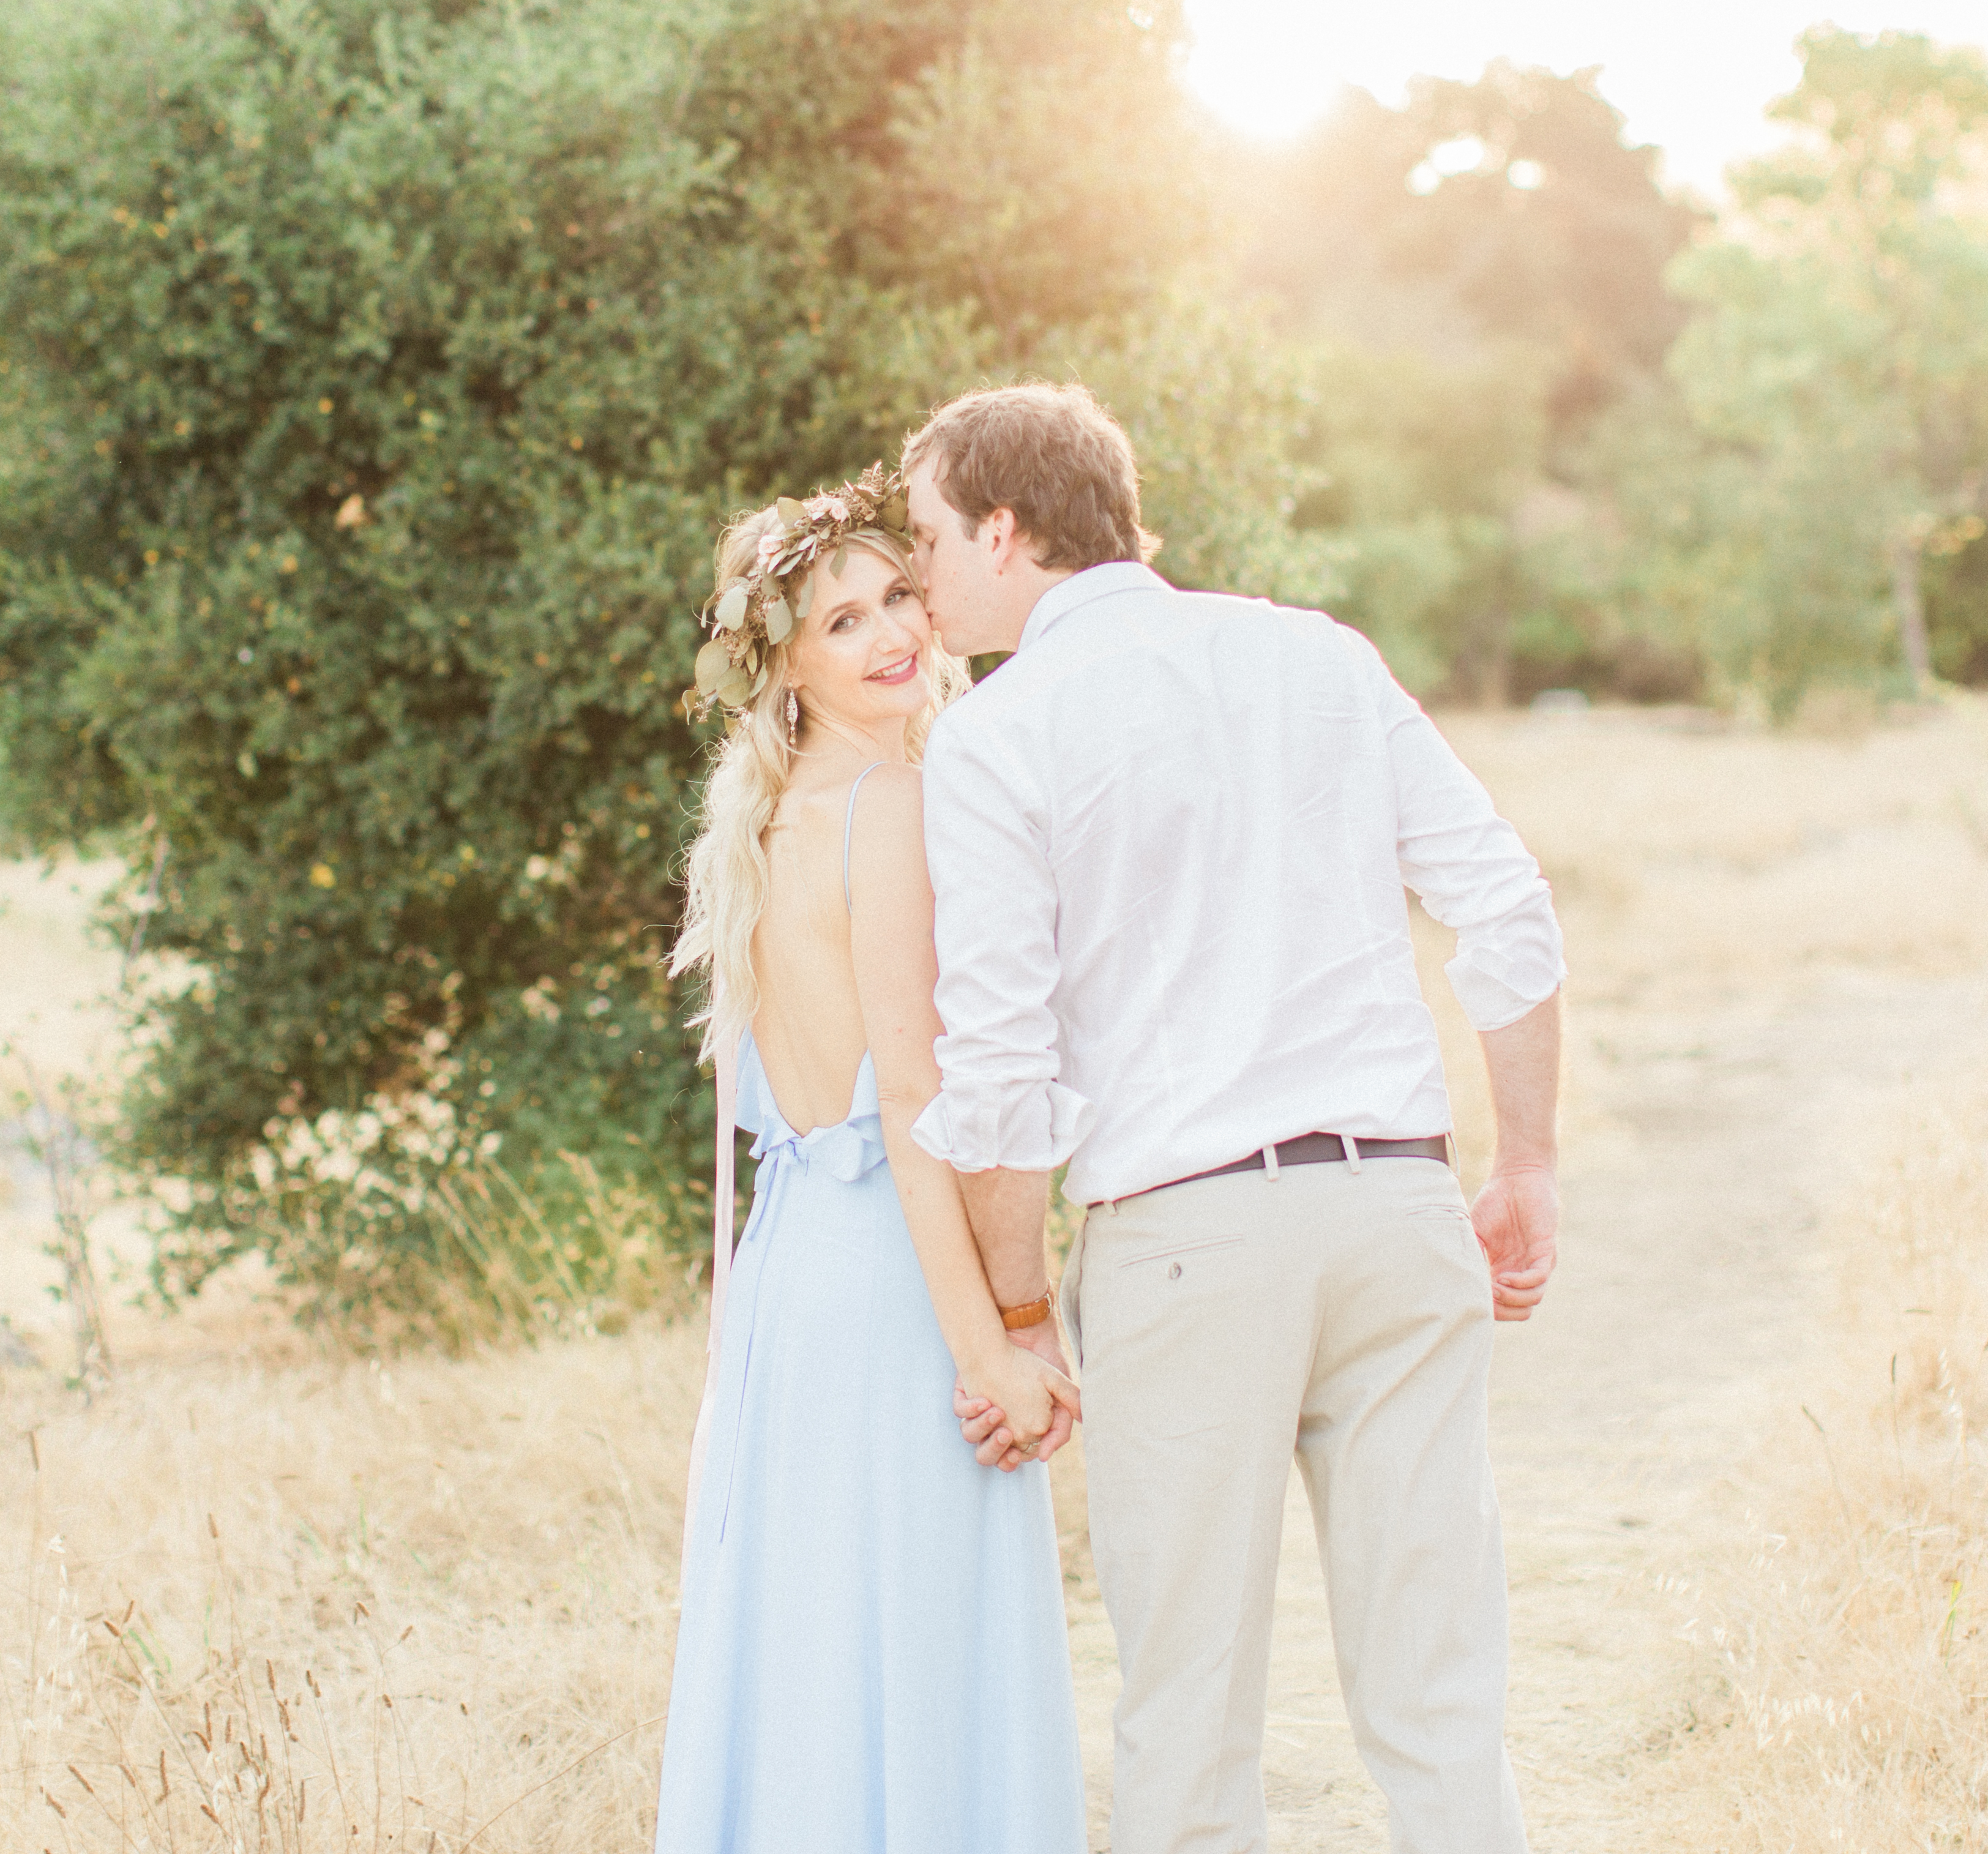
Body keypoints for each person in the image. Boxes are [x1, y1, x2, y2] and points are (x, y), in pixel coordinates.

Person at [901, 382, 1569, 1854]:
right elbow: (1507, 908)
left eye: (935, 536)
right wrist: (1525, 1160)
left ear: (1006, 531)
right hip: (1398, 1208)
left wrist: (1019, 1310)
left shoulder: (999, 735)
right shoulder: (1316, 658)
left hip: (1188, 1241)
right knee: (1440, 1694)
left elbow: (999, 1074)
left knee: (1189, 1714)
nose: (924, 578)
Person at [652, 469, 1089, 1854]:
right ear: (784, 661)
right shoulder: (893, 805)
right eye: (843, 621)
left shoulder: (763, 824)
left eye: (901, 594)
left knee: (814, 1660)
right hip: (898, 1291)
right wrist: (999, 1351)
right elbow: (911, 1102)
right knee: (925, 1653)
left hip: (790, 1290)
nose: (895, 630)